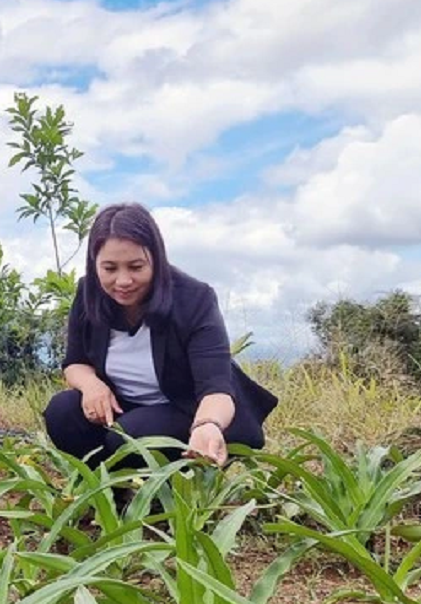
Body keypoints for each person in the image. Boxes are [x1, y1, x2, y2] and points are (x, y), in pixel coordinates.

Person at [43, 202, 277, 473]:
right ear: (94, 263)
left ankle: (165, 491)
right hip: (124, 406)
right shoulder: (89, 294)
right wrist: (91, 385)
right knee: (63, 411)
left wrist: (207, 425)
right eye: (109, 268)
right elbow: (75, 362)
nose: (122, 281)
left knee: (130, 436)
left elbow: (217, 388)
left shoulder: (194, 299)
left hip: (186, 408)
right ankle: (106, 490)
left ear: (156, 259)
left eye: (135, 267)